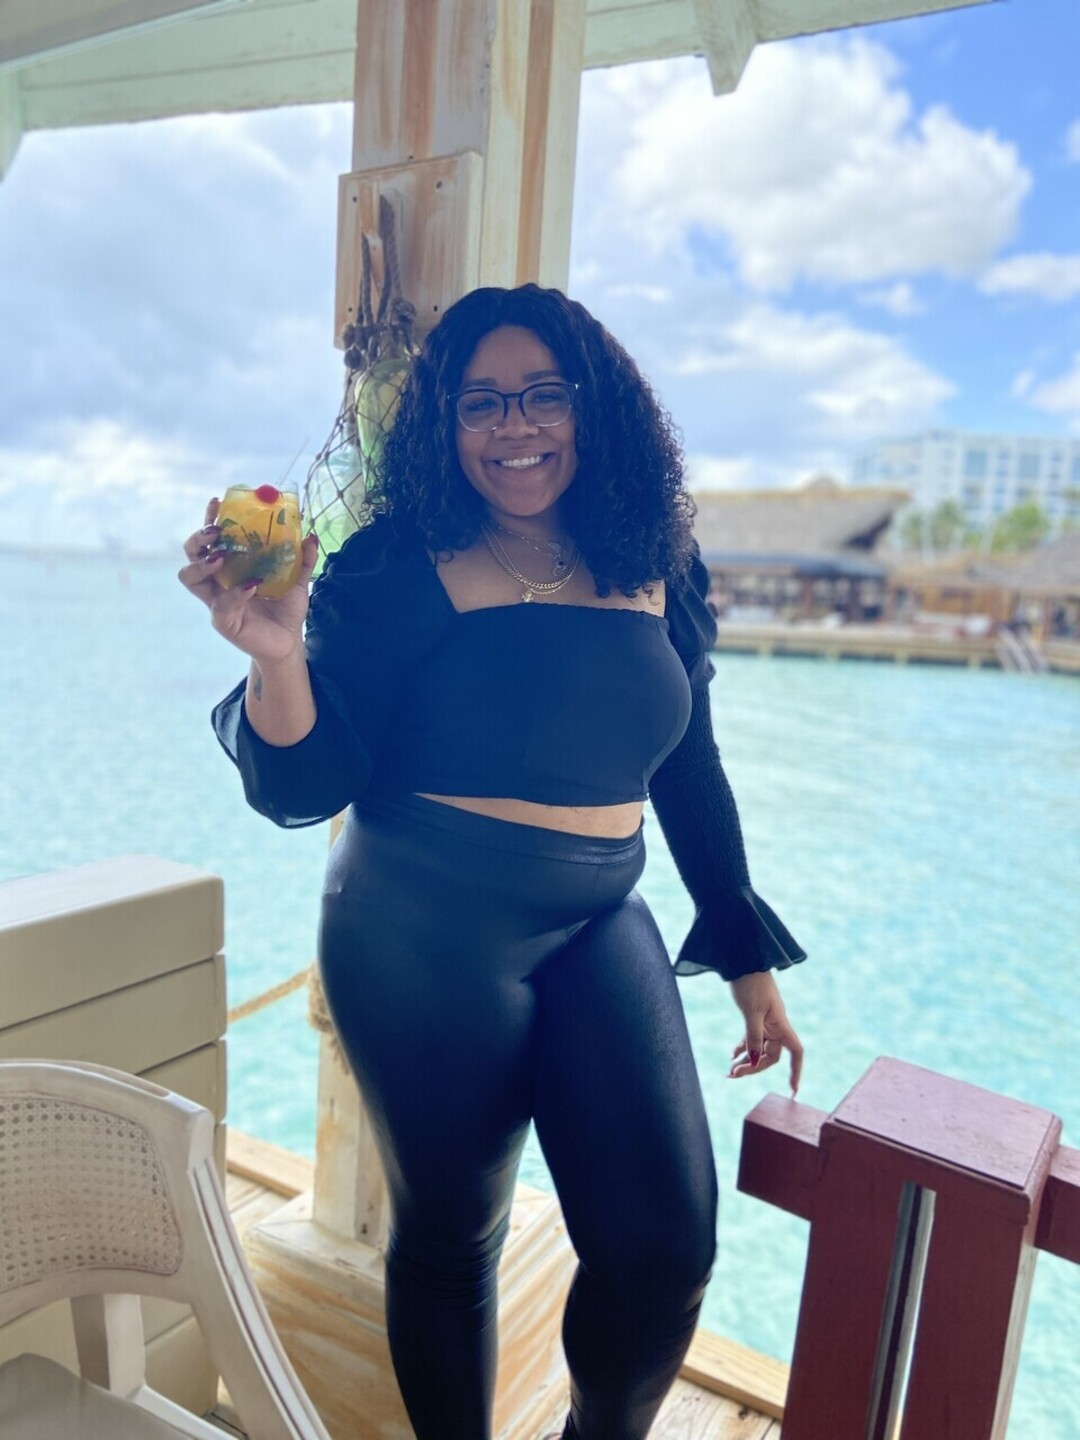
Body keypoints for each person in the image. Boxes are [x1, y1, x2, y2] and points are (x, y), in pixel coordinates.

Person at [180, 284, 805, 1440]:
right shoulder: (397, 565)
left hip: (600, 916)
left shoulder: (656, 559)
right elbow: (307, 785)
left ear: (593, 407)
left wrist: (744, 953)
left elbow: (689, 762)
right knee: (452, 1237)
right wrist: (276, 655)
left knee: (666, 1248)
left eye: (542, 396)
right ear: (446, 423)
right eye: (482, 404)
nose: (514, 427)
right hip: (420, 928)